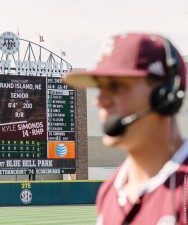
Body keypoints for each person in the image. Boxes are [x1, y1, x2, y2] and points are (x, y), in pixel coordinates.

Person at [63, 33, 188, 225]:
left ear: (166, 96)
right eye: (99, 87)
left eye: (116, 86)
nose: (99, 100)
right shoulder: (110, 190)